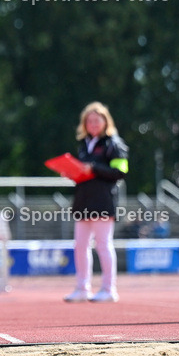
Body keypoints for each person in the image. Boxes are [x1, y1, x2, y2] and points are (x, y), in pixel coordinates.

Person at [64, 102, 129, 303]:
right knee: (80, 246)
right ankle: (82, 288)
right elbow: (85, 170)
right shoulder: (83, 144)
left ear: (105, 121)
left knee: (103, 244)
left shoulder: (114, 144)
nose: (92, 124)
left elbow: (121, 171)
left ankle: (109, 289)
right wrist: (73, 172)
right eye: (89, 121)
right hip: (83, 200)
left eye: (96, 120)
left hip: (102, 201)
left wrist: (93, 168)